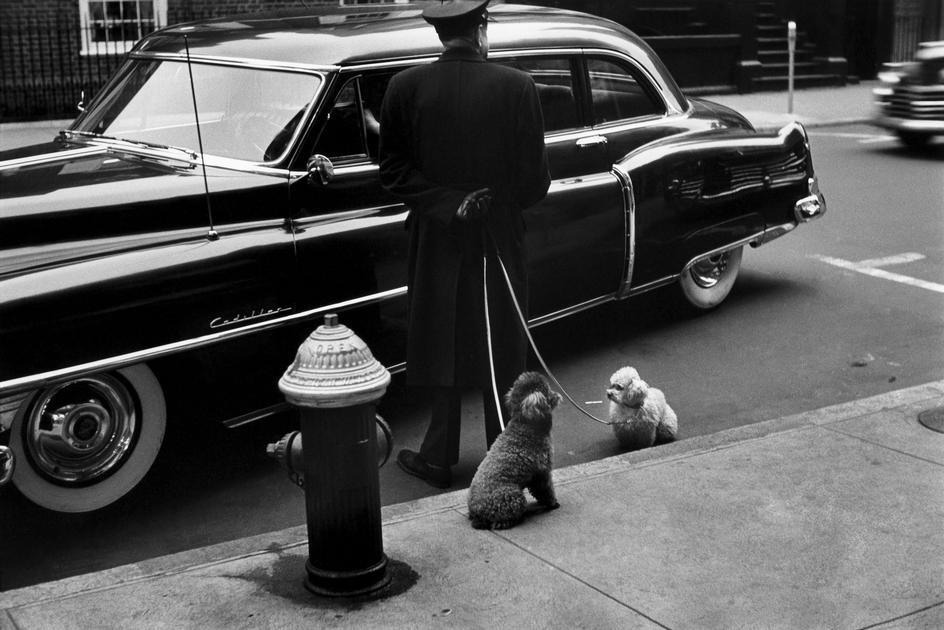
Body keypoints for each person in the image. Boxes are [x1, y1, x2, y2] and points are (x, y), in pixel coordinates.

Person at [379, 0, 551, 488]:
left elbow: (391, 172)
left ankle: (437, 457)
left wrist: (450, 203)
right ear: (481, 27)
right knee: (501, 342)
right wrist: (492, 202)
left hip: (437, 238)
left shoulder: (403, 88)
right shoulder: (517, 86)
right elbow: (535, 182)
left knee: (442, 339)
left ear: (438, 33)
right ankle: (506, 456)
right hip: (498, 237)